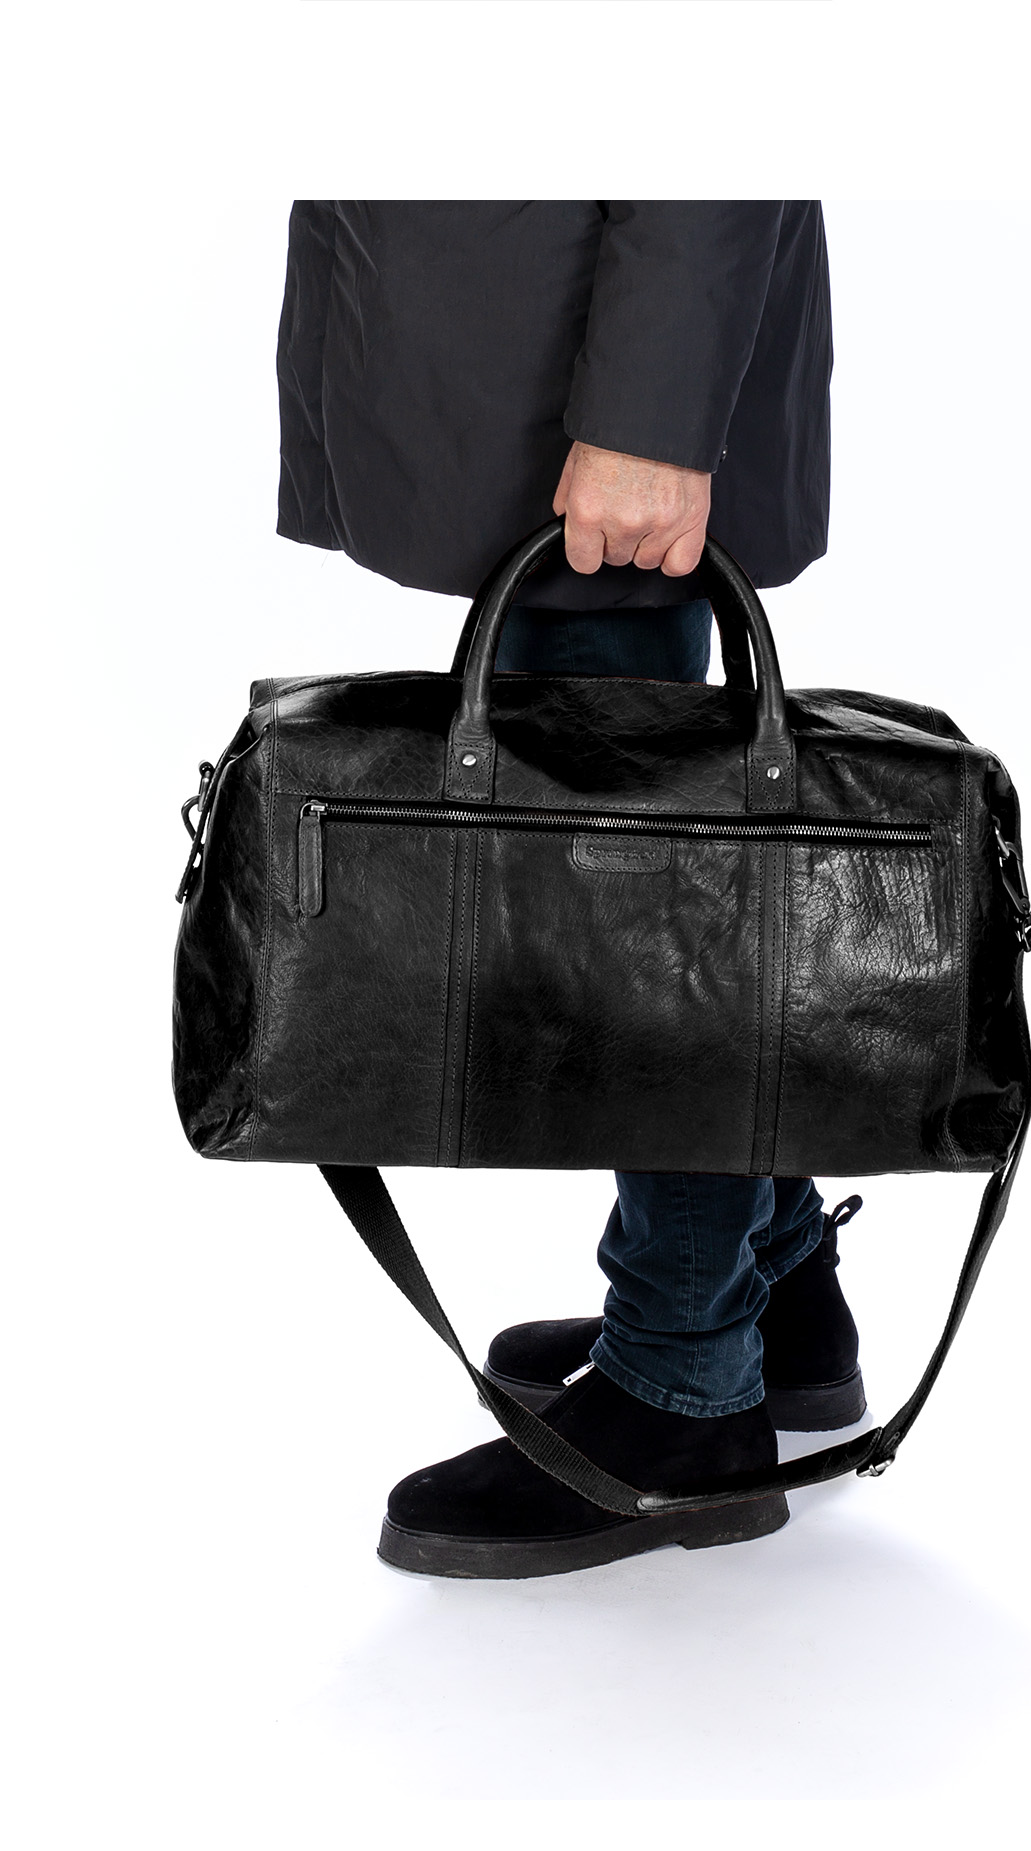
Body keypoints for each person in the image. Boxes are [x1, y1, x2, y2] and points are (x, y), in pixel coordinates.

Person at [277, 201, 864, 1576]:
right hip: (535, 345)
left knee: (650, 889)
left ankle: (683, 1384)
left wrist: (652, 414)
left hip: (597, 367)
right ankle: (773, 1285)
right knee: (654, 862)